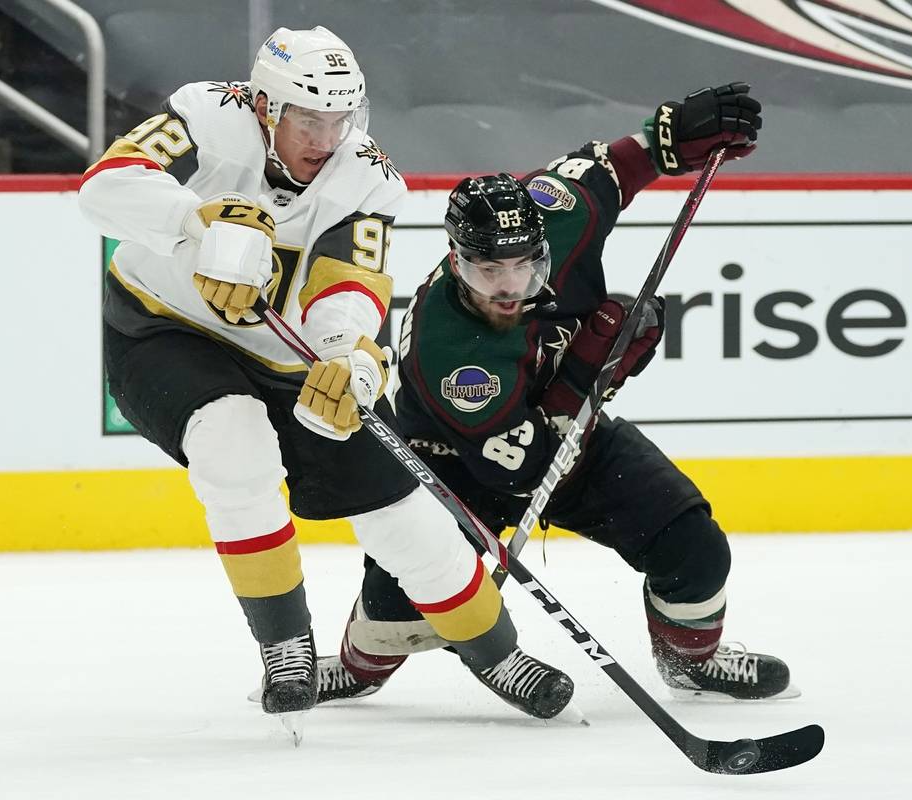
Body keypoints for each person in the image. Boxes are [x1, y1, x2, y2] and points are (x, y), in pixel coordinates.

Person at [77, 26, 574, 729]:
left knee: (403, 515)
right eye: (309, 118)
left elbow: (349, 281)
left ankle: (496, 653)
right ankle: (286, 649)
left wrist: (348, 356)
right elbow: (104, 187)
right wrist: (196, 223)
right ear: (263, 108)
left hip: (291, 355)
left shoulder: (365, 174)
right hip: (162, 329)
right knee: (232, 442)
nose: (325, 137)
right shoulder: (205, 115)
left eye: (341, 118)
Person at [314, 83, 798, 705]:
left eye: (524, 266)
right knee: (403, 609)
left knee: (695, 549)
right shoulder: (450, 351)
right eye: (488, 271)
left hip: (572, 436)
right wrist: (596, 365)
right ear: (456, 261)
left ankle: (690, 658)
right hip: (451, 462)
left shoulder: (558, 209)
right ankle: (359, 667)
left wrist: (668, 138)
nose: (510, 286)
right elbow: (529, 467)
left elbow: (615, 167)